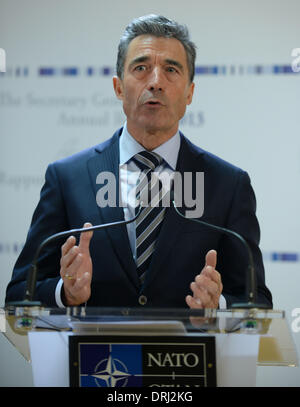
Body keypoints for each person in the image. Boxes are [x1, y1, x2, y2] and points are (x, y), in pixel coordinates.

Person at [5, 14, 272, 309]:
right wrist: (65, 293)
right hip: (96, 354)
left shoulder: (228, 185)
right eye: (141, 68)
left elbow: (256, 301)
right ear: (119, 88)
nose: (156, 82)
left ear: (189, 93)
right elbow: (19, 292)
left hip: (184, 355)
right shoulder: (68, 178)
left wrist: (217, 305)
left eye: (171, 69)